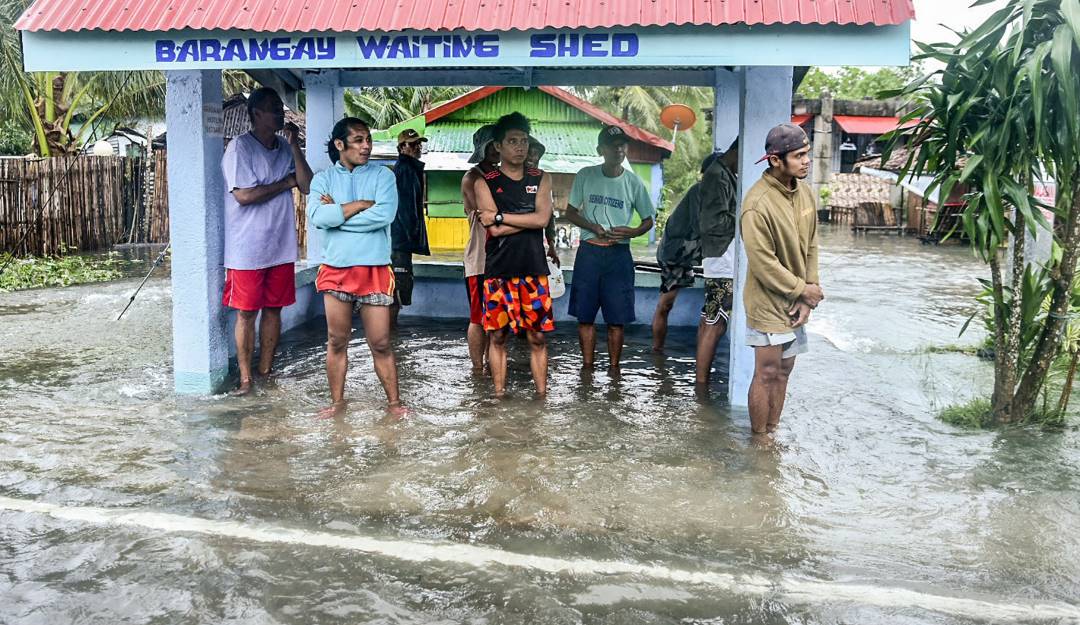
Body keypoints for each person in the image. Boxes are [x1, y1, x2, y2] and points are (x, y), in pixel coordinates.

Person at [306, 117, 403, 417]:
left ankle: (395, 405)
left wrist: (338, 216)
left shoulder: (383, 176)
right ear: (340, 145)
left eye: (368, 139)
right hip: (336, 269)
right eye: (359, 140)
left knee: (381, 342)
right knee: (336, 340)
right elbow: (317, 218)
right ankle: (337, 403)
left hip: (374, 268)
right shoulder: (322, 179)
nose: (366, 146)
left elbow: (384, 216)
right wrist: (360, 205)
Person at [220, 87, 313, 395]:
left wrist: (295, 146)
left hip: (280, 246)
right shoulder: (240, 148)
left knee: (274, 310)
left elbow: (307, 185)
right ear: (256, 113)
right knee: (247, 313)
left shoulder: (285, 150)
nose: (280, 115)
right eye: (274, 109)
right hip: (246, 249)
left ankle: (266, 370)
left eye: (280, 110)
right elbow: (244, 195)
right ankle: (246, 378)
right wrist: (284, 183)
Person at [742, 123, 822, 434]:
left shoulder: (804, 193)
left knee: (785, 371)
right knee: (767, 372)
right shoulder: (756, 205)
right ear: (776, 160)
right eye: (799, 155)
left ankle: (772, 432)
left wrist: (809, 294)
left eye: (807, 154)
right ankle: (759, 441)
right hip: (766, 302)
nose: (806, 161)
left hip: (797, 299)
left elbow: (813, 244)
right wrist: (804, 290)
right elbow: (763, 265)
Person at [474, 112, 555, 397]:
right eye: (512, 141)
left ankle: (542, 397)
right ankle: (498, 395)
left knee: (538, 337)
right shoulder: (484, 181)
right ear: (498, 146)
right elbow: (493, 231)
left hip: (534, 269)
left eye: (523, 140)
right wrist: (525, 218)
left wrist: (499, 216)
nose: (520, 147)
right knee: (497, 335)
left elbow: (543, 220)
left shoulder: (541, 178)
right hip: (499, 270)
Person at [565, 125, 655, 369]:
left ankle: (615, 372)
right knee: (585, 317)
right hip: (589, 253)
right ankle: (587, 370)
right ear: (600, 150)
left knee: (617, 321)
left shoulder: (634, 183)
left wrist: (634, 231)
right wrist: (593, 226)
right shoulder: (585, 175)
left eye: (622, 145)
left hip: (619, 255)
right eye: (612, 145)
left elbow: (648, 220)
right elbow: (570, 213)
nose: (619, 149)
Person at [650, 151, 722, 352]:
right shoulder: (700, 192)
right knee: (666, 304)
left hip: (687, 252)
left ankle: (660, 353)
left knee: (669, 305)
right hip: (675, 253)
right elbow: (703, 227)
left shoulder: (716, 194)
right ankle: (657, 351)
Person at [695, 140, 740, 387]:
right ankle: (701, 384)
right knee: (715, 323)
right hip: (722, 257)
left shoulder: (722, 173)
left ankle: (701, 380)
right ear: (737, 152)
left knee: (710, 319)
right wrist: (744, 217)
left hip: (720, 257)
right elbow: (712, 223)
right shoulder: (717, 176)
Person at [461, 124, 499, 372]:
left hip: (499, 258)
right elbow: (490, 214)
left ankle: (486, 366)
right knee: (478, 318)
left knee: (493, 320)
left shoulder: (496, 175)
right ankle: (477, 369)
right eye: (495, 146)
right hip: (481, 260)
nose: (498, 150)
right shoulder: (473, 177)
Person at [390, 128, 430, 325]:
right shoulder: (405, 170)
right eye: (413, 144)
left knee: (397, 292)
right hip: (399, 242)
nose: (417, 148)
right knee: (395, 294)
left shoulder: (408, 169)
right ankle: (390, 340)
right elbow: (405, 210)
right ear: (401, 148)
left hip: (400, 241)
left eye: (419, 144)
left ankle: (391, 340)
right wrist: (410, 237)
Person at [526, 137, 560, 267]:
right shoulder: (506, 179)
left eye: (536, 154)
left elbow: (549, 214)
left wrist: (552, 245)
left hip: (535, 247)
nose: (532, 157)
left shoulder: (542, 180)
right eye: (529, 153)